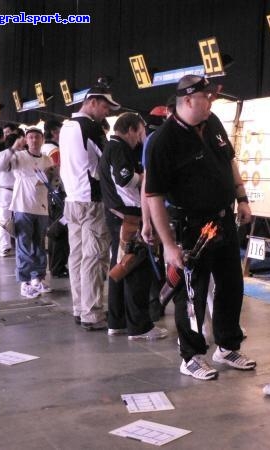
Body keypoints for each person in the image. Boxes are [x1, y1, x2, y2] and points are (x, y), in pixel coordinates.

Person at [146, 74, 255, 380]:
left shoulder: (214, 122)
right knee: (193, 293)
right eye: (207, 97)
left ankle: (227, 344)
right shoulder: (164, 141)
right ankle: (191, 354)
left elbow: (229, 161)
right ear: (188, 100)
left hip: (223, 220)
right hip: (192, 228)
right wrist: (168, 245)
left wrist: (242, 198)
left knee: (232, 285)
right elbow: (153, 195)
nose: (211, 102)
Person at [99, 112, 167, 340]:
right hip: (128, 217)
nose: (140, 138)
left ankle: (117, 321)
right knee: (136, 269)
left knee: (120, 266)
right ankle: (140, 327)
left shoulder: (111, 148)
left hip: (117, 216)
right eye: (139, 133)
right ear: (129, 130)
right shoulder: (118, 149)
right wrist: (145, 177)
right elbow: (125, 179)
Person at [59, 83, 119, 331]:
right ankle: (92, 313)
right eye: (105, 106)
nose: (106, 112)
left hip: (72, 200)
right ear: (92, 102)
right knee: (94, 258)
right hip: (92, 202)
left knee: (77, 256)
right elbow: (105, 166)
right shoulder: (90, 128)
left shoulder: (67, 126)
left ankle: (79, 307)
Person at [0, 127, 54, 299]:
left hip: (41, 208)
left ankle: (38, 277)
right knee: (24, 244)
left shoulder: (47, 159)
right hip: (22, 206)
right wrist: (12, 148)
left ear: (42, 140)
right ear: (26, 140)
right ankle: (25, 281)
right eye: (31, 137)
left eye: (37, 137)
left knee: (40, 244)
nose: (34, 140)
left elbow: (53, 180)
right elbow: (0, 166)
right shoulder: (19, 157)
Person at [0, 131, 26, 257]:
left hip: (4, 191)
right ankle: (21, 245)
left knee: (3, 220)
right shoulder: (23, 155)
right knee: (21, 219)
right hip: (19, 190)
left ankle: (4, 247)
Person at [41, 120, 69, 278]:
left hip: (48, 196)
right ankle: (58, 266)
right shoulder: (55, 151)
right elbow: (60, 173)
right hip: (58, 194)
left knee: (53, 231)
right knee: (59, 232)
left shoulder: (43, 149)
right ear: (53, 132)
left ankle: (53, 265)